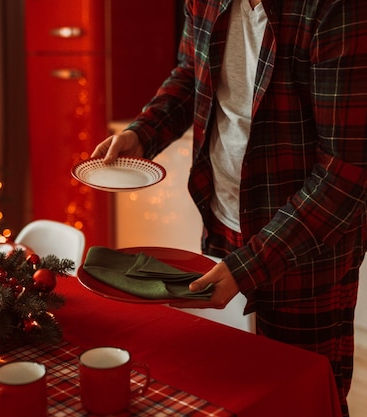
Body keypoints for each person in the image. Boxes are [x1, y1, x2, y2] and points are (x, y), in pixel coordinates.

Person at [91, 0, 367, 415]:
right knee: (231, 393)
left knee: (304, 399)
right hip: (223, 224)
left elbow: (346, 173)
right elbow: (190, 71)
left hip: (308, 253)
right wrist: (143, 133)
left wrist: (250, 266)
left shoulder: (336, 9)